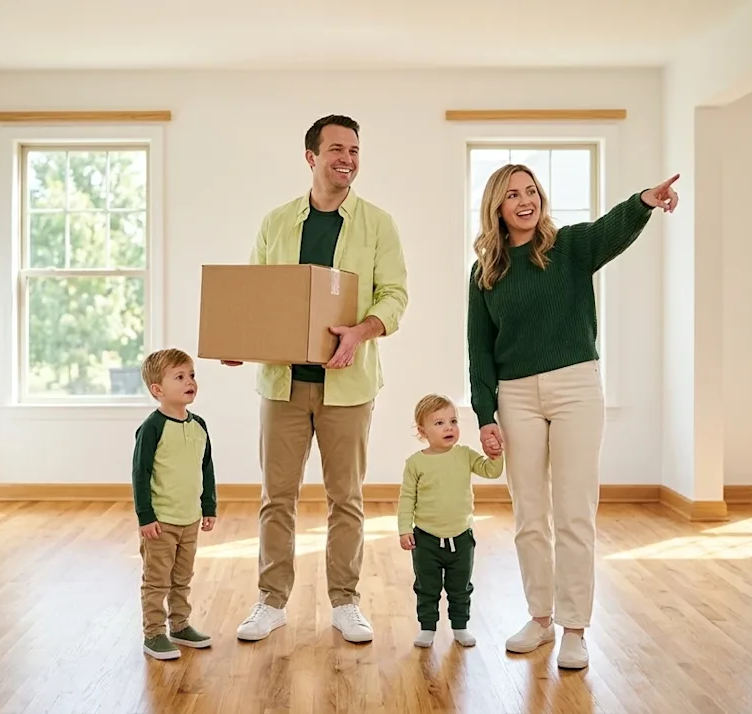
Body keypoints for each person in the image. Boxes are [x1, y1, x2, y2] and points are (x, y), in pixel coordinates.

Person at [467, 164, 679, 670]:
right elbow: (479, 349)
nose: (525, 201)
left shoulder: (569, 248)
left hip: (576, 387)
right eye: (513, 194)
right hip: (515, 395)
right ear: (496, 206)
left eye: (532, 191)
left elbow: (612, 227)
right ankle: (539, 619)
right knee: (529, 514)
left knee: (575, 511)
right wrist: (484, 413)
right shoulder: (484, 272)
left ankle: (575, 628)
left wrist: (644, 200)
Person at [224, 114, 409, 644]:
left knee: (345, 497)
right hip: (282, 384)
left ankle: (346, 602)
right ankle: (271, 600)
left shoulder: (378, 224)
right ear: (311, 157)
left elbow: (395, 295)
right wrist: (243, 341)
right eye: (335, 149)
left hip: (348, 386)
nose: (346, 159)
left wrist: (361, 332)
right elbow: (258, 295)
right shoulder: (277, 222)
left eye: (353, 150)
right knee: (276, 496)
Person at [131, 348, 218, 660]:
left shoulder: (199, 426)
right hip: (160, 523)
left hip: (189, 519)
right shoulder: (152, 428)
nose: (189, 381)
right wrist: (145, 516)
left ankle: (179, 625)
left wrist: (208, 507)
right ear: (158, 390)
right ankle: (153, 633)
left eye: (192, 375)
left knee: (182, 578)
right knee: (157, 581)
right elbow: (140, 474)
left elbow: (205, 468)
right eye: (179, 377)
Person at [398, 393, 503, 649]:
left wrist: (496, 455)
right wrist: (404, 529)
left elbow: (491, 472)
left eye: (453, 421)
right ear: (422, 431)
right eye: (439, 423)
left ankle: (460, 626)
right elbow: (406, 498)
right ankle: (427, 627)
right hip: (426, 539)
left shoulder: (465, 455)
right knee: (426, 587)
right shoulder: (416, 463)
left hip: (461, 538)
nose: (449, 427)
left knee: (460, 587)